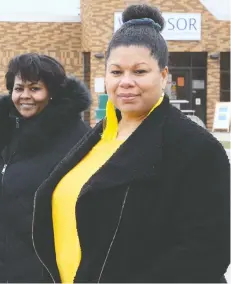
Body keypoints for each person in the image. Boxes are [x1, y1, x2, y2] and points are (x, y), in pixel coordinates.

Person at [32, 5, 230, 283]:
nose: (125, 82)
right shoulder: (97, 139)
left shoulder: (195, 148)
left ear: (163, 76)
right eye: (116, 72)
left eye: (139, 71)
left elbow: (207, 252)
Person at [0, 53, 91, 283]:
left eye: (35, 88)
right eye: (19, 88)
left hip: (46, 273)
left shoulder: (76, 138)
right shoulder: (1, 134)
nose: (25, 96)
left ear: (52, 92)